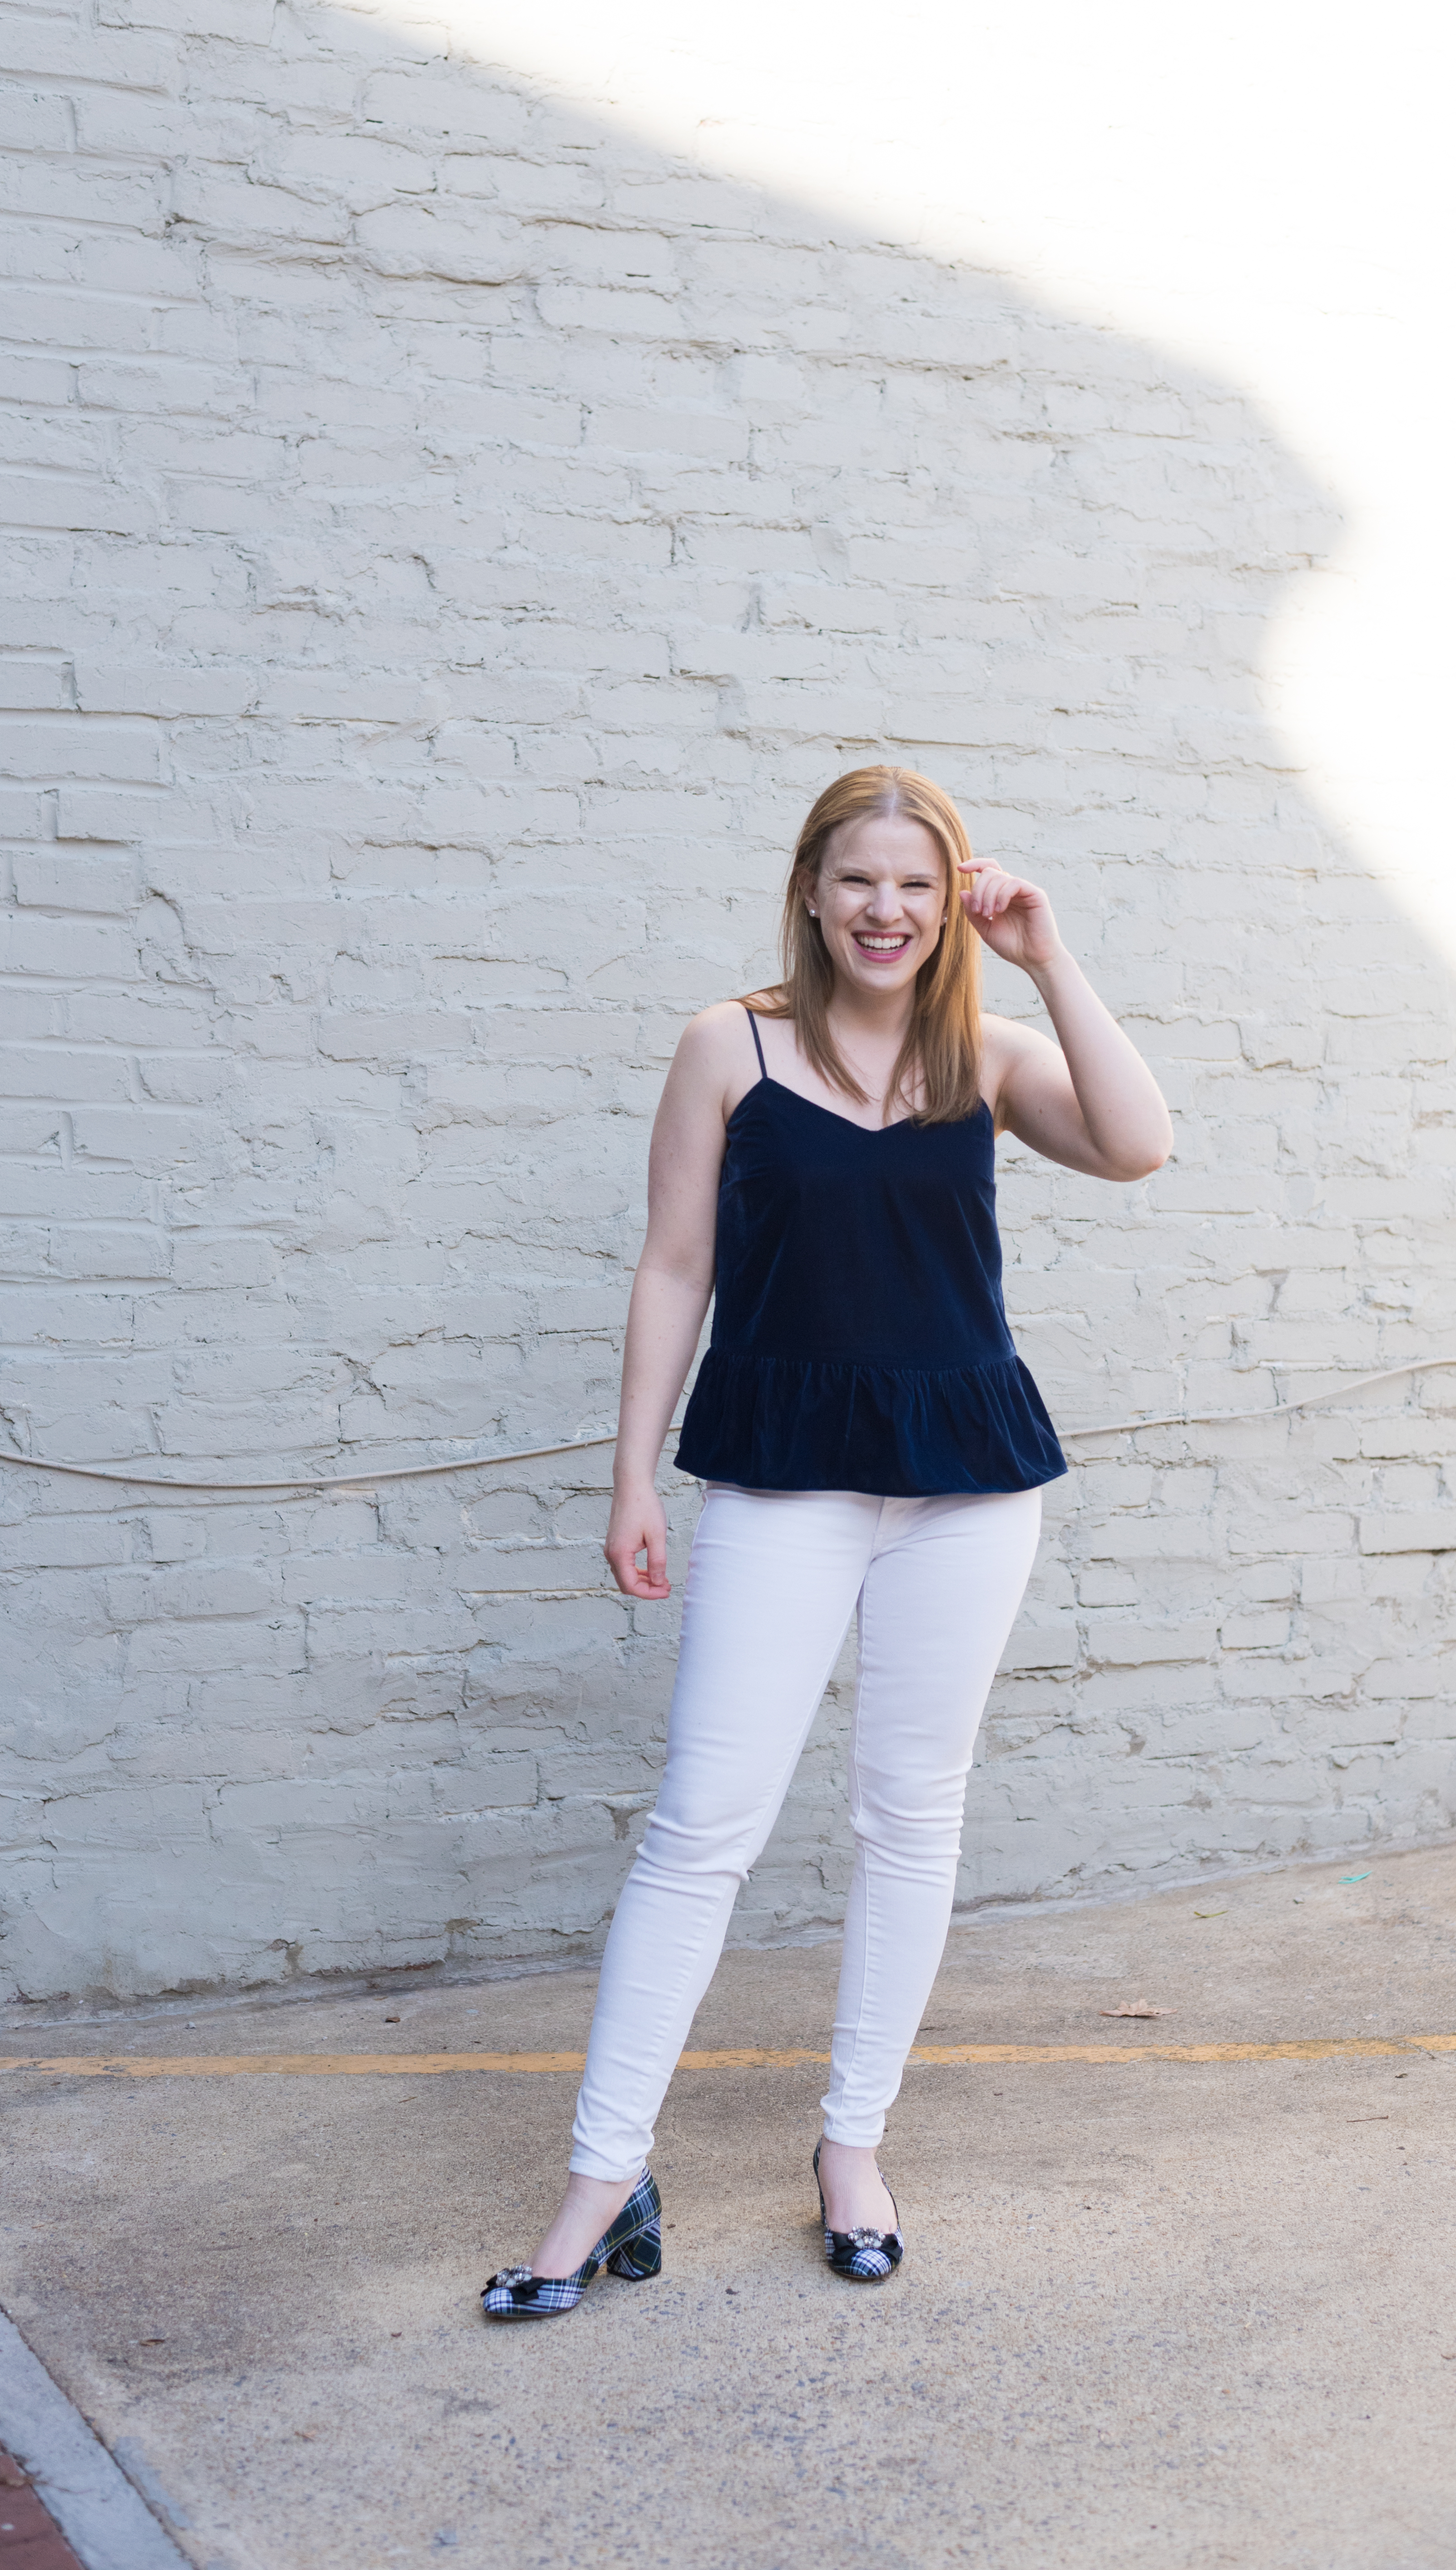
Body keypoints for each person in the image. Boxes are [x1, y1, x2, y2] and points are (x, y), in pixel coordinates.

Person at [482, 765, 1171, 2318]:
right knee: (700, 1825)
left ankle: (850, 2147)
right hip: (783, 1474)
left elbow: (1137, 1145)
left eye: (917, 887)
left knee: (907, 1817)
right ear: (809, 889)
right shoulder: (727, 1046)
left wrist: (1050, 956)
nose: (886, 911)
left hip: (967, 1480)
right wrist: (632, 1480)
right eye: (859, 881)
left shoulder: (984, 1055)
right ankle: (603, 2176)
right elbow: (673, 1264)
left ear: (951, 907)